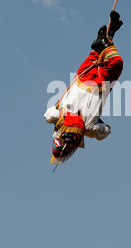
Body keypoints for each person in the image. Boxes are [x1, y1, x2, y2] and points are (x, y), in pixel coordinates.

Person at [44, 11, 124, 165]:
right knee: (112, 60)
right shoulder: (88, 128)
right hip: (100, 85)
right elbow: (105, 131)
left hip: (84, 79)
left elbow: (49, 114)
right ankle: (109, 34)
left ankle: (108, 36)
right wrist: (98, 121)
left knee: (99, 54)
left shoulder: (58, 117)